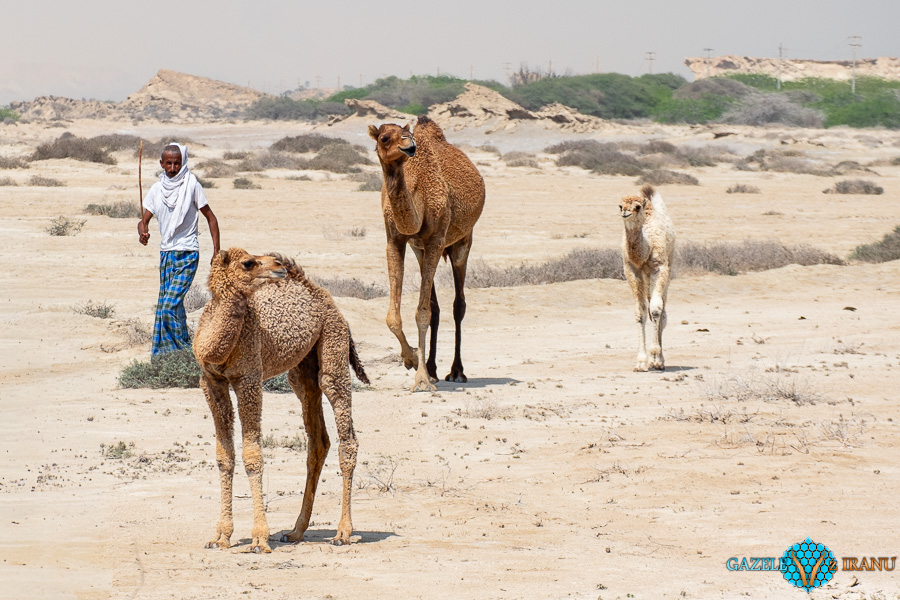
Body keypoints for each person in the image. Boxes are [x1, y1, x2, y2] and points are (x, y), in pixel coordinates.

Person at [137, 142, 220, 355]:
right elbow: (143, 220)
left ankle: (182, 352)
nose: (173, 168)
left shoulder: (192, 185)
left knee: (168, 306)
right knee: (173, 307)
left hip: (188, 254)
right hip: (166, 255)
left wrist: (216, 251)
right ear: (162, 163)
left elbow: (211, 218)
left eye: (177, 163)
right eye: (169, 163)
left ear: (183, 163)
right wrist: (143, 232)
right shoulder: (156, 190)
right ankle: (170, 356)